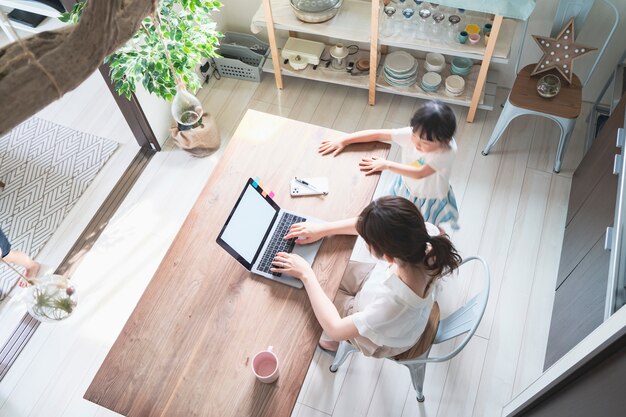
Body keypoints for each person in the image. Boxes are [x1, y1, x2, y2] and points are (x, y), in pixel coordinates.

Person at [272, 196, 461, 357]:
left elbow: (336, 329)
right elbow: (371, 225)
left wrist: (306, 275)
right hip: (375, 287)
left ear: (388, 257)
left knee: (306, 288)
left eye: (367, 241)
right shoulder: (423, 237)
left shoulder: (393, 305)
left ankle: (330, 345)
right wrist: (324, 229)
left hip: (379, 333)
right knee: (321, 270)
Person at [318, 100, 460, 230]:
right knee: (403, 217)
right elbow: (378, 134)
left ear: (445, 141)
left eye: (425, 143)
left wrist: (386, 164)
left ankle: (439, 239)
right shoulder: (416, 134)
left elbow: (420, 173)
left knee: (428, 226)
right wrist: (345, 140)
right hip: (405, 185)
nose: (416, 143)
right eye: (414, 135)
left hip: (429, 196)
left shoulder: (446, 152)